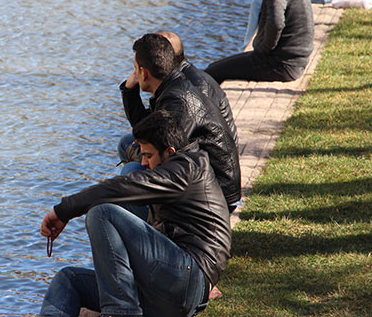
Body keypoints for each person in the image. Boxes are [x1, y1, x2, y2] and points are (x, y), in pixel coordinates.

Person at [39, 111, 232, 317]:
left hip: (187, 281)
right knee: (68, 279)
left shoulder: (186, 170)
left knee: (102, 214)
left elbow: (124, 187)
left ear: (169, 151)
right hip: (163, 285)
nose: (144, 163)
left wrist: (64, 211)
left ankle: (122, 312)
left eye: (148, 156)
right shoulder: (178, 166)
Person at [118, 33, 241, 211]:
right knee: (128, 150)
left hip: (215, 195)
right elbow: (147, 132)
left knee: (130, 174)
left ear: (144, 72)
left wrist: (137, 155)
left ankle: (153, 234)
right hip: (205, 176)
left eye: (136, 68)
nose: (134, 74)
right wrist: (129, 91)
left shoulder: (180, 100)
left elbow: (165, 157)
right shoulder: (173, 86)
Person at [157, 30, 238, 146]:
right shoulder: (172, 80)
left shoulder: (198, 85)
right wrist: (130, 91)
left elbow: (181, 139)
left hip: (211, 155)